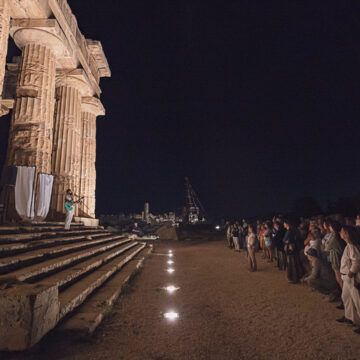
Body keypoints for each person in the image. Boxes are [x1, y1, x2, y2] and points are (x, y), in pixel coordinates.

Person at [337, 226, 360, 334]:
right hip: (347, 277)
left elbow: (356, 261)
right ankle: (350, 317)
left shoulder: (351, 246)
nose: (340, 232)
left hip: (350, 277)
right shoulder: (349, 246)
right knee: (346, 297)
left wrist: (351, 273)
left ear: (347, 234)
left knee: (357, 301)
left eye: (342, 231)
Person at [284, 218, 304, 284]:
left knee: (293, 263)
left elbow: (286, 239)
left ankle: (295, 278)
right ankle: (297, 277)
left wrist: (287, 242)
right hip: (294, 249)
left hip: (291, 249)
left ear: (287, 224)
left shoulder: (290, 231)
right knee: (295, 263)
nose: (283, 224)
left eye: (284, 223)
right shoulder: (293, 230)